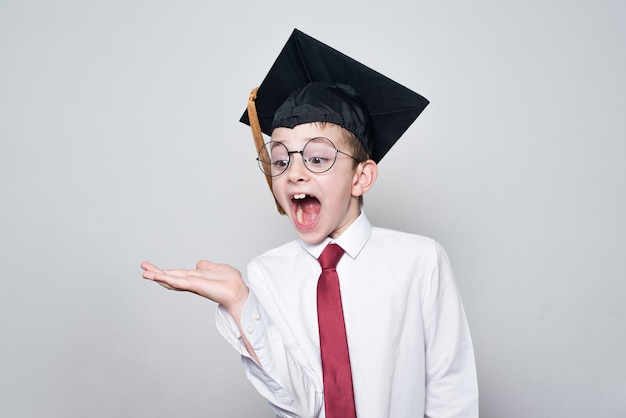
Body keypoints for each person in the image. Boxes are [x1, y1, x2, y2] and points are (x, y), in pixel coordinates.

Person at [141, 29, 478, 417]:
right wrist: (239, 302)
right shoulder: (268, 273)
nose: (294, 174)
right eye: (281, 160)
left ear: (361, 177)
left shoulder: (420, 261)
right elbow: (303, 403)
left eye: (317, 159)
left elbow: (450, 389)